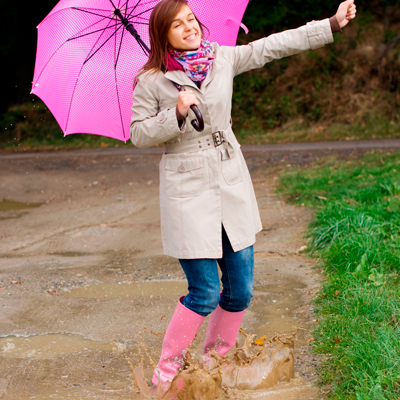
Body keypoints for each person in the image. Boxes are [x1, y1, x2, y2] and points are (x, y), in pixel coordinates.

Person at [130, 0, 357, 389]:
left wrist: (331, 24)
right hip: (187, 190)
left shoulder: (222, 58)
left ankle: (216, 364)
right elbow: (139, 134)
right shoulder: (151, 81)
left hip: (229, 178)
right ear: (163, 35)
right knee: (205, 292)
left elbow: (273, 46)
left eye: (191, 19)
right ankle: (165, 374)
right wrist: (176, 113)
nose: (189, 27)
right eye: (177, 25)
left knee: (240, 290)